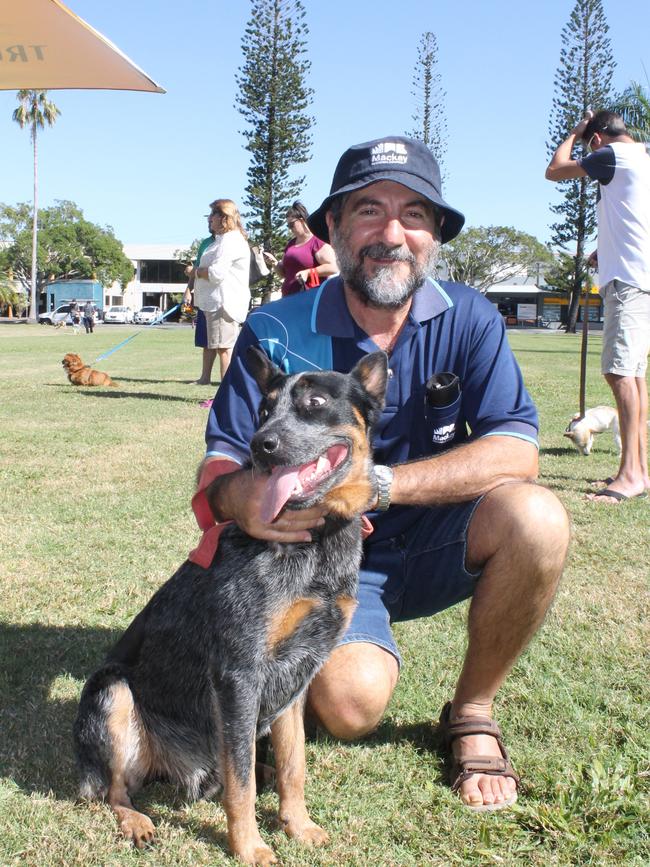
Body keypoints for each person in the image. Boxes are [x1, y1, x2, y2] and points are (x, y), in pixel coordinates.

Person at [193, 136, 570, 811]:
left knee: (537, 518)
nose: (391, 233)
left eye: (415, 214)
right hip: (315, 559)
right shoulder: (276, 326)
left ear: (434, 236)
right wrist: (243, 496)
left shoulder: (471, 317)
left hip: (432, 538)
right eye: (369, 210)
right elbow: (219, 462)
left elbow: (518, 450)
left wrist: (384, 486)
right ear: (333, 228)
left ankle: (473, 710)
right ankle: (281, 685)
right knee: (351, 701)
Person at [546, 110, 650, 503]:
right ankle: (637, 470)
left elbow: (555, 170)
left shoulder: (610, 156)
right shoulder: (643, 156)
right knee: (634, 376)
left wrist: (575, 131)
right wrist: (601, 250)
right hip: (642, 278)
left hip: (628, 283)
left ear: (597, 140)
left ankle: (630, 476)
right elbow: (635, 216)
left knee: (619, 373)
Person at [187, 199, 250, 385]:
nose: (210, 219)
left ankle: (225, 395)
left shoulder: (230, 241)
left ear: (223, 217)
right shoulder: (223, 240)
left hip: (224, 302)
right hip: (214, 302)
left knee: (224, 348)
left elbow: (216, 273)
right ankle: (221, 391)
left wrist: (196, 272)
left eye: (213, 214)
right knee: (218, 346)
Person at [263, 200, 338, 296]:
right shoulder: (291, 244)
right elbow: (284, 273)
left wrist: (308, 273)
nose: (290, 228)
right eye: (288, 225)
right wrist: (274, 262)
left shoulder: (317, 241)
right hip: (288, 300)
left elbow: (333, 267)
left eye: (291, 224)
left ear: (302, 220)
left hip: (309, 299)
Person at [183, 212, 216, 376]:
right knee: (206, 340)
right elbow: (195, 270)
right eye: (208, 221)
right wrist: (189, 290)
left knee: (223, 344)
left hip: (221, 298)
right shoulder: (205, 243)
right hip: (204, 299)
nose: (209, 223)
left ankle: (225, 381)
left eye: (212, 220)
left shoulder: (230, 242)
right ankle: (205, 377)